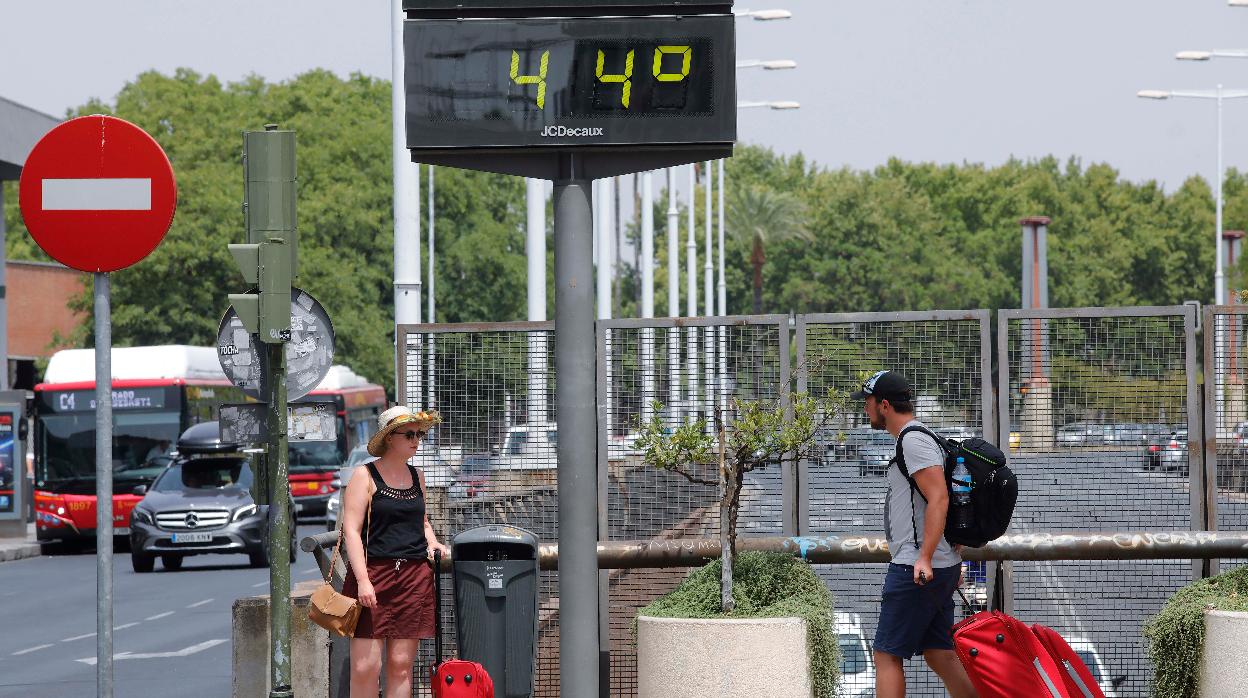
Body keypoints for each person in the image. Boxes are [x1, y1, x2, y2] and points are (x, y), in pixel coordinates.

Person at [852, 370, 976, 698]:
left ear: (885, 405)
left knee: (886, 655)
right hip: (937, 563)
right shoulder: (921, 437)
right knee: (940, 653)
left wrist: (925, 556)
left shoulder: (913, 440)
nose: (865, 410)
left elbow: (939, 497)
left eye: (868, 403)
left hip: (916, 567)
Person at [341, 406, 450, 698]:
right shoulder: (364, 476)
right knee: (366, 666)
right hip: (374, 574)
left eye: (420, 434)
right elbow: (350, 530)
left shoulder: (418, 476)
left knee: (401, 665)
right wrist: (362, 580)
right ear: (390, 438)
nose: (417, 440)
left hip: (414, 577)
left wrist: (433, 541)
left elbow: (422, 521)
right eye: (410, 434)